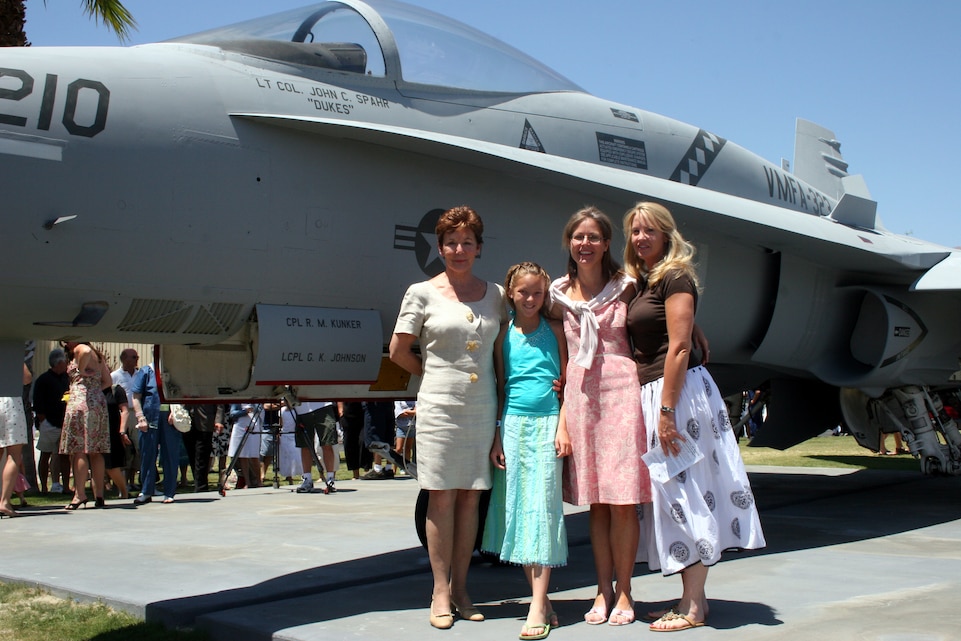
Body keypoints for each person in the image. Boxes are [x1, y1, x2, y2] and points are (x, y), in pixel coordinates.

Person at [622, 201, 766, 632]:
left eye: (649, 230)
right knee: (674, 496)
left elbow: (680, 348)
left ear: (667, 234)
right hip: (661, 393)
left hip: (677, 396)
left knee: (686, 493)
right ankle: (692, 596)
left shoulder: (675, 276)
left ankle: (693, 608)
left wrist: (666, 411)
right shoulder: (649, 279)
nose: (641, 238)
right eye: (634, 231)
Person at [389, 205, 508, 629]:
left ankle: (462, 588)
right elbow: (398, 351)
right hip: (439, 408)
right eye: (451, 243)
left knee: (471, 496)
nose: (460, 250)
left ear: (479, 247)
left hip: (482, 409)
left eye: (467, 243)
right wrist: (432, 376)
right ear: (440, 248)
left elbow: (501, 356)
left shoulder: (496, 294)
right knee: (440, 496)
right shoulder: (420, 292)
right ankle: (440, 590)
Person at [548, 206, 647, 626]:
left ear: (607, 243)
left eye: (593, 237)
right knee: (597, 505)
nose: (584, 244)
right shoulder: (556, 294)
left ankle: (625, 590)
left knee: (622, 500)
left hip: (621, 390)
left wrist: (693, 328)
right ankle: (602, 589)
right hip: (582, 395)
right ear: (569, 243)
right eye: (577, 237)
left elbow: (658, 316)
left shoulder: (626, 286)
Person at [482, 262, 570, 639]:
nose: (531, 299)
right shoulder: (503, 336)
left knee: (543, 509)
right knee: (519, 509)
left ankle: (537, 604)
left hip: (549, 426)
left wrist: (564, 425)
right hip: (515, 428)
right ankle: (542, 601)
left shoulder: (556, 331)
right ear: (511, 294)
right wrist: (498, 435)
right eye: (523, 293)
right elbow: (502, 388)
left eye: (537, 292)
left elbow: (568, 384)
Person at [60, 342, 111, 510]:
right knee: (96, 451)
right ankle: (99, 494)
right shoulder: (98, 357)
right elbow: (107, 381)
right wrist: (94, 388)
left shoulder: (80, 348)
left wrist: (80, 374)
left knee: (80, 450)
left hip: (81, 402)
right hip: (97, 402)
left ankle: (79, 494)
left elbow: (85, 350)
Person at [131, 361, 180, 505]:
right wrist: (140, 417)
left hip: (169, 421)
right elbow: (136, 396)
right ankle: (146, 491)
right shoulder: (146, 372)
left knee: (170, 455)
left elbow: (181, 392)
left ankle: (169, 492)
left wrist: (176, 411)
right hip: (150, 419)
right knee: (147, 455)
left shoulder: (174, 370)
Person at [32, 348, 71, 494]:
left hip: (64, 423)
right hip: (49, 423)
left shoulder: (67, 378)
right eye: (64, 362)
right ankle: (44, 487)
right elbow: (38, 402)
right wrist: (43, 421)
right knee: (45, 454)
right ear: (59, 362)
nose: (66, 364)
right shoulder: (43, 379)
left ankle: (66, 486)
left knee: (64, 456)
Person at [0, 364, 32, 517]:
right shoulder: (11, 349)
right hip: (11, 402)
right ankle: (4, 501)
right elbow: (27, 377)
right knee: (14, 455)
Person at [292, 401, 339, 493]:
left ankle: (330, 479)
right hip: (301, 409)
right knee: (305, 445)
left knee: (327, 443)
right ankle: (307, 479)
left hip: (323, 406)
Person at [110, 348, 140, 489]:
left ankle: (132, 481)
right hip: (121, 413)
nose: (136, 359)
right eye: (133, 357)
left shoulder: (141, 375)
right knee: (123, 449)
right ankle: (121, 483)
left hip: (137, 413)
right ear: (124, 359)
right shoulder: (115, 376)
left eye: (136, 357)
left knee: (138, 448)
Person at [103, 383, 131, 499]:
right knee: (96, 466)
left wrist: (122, 431)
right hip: (94, 431)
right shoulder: (89, 390)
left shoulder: (115, 390)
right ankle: (98, 497)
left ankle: (124, 491)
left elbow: (125, 411)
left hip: (112, 432)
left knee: (112, 466)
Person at [361, 401, 396, 480]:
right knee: (388, 435)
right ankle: (388, 468)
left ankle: (377, 468)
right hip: (388, 401)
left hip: (375, 403)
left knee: (376, 436)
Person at [394, 400, 416, 474]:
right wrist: (412, 412)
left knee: (408, 448)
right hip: (401, 427)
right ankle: (394, 469)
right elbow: (399, 413)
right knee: (398, 449)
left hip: (411, 426)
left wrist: (407, 412)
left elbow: (418, 411)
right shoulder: (398, 401)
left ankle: (407, 469)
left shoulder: (414, 400)